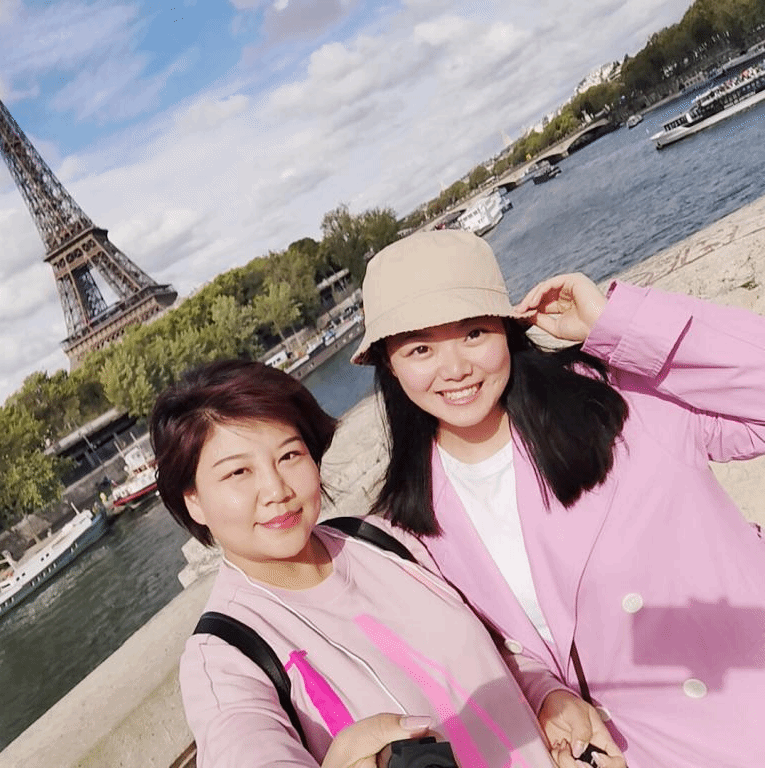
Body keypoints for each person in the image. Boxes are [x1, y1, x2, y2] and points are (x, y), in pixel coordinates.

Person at [352, 229, 765, 768]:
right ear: (389, 364)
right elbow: (499, 648)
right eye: (421, 348)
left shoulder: (616, 399)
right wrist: (548, 693)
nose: (454, 369)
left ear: (507, 330)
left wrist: (616, 324)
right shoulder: (410, 522)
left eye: (473, 333)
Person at [150, 359, 618, 768]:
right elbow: (245, 746)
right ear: (194, 501)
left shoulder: (381, 539)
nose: (276, 490)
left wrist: (547, 697)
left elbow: (499, 646)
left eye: (289, 455)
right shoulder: (224, 659)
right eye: (238, 472)